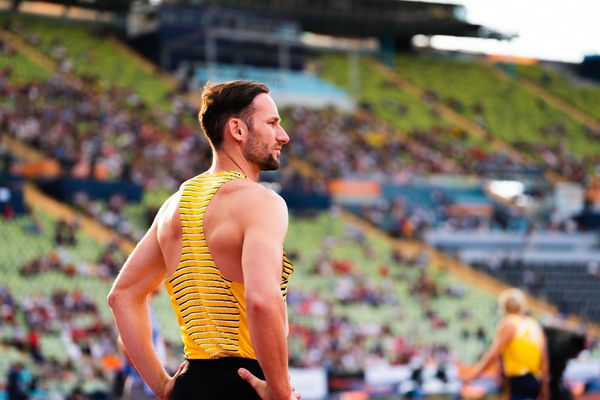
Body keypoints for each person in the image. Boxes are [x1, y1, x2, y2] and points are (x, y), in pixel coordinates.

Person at [108, 80, 299, 400]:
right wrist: (279, 390)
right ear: (237, 129)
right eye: (272, 123)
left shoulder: (173, 207)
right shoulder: (261, 202)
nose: (284, 135)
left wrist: (163, 385)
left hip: (190, 384)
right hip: (245, 382)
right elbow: (263, 301)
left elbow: (122, 296)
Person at [464, 288, 549, 400]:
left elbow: (494, 354)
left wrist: (475, 374)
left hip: (519, 380)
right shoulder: (534, 325)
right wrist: (545, 387)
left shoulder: (509, 324)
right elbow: (544, 359)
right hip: (534, 380)